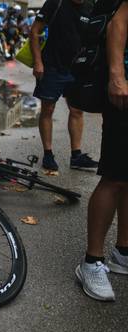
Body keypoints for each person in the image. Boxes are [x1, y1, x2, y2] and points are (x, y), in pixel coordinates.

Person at [76, 0, 128, 301]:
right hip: (124, 92)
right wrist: (117, 75)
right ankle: (91, 261)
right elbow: (118, 22)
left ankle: (123, 253)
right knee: (115, 176)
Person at [30, 0, 99, 171]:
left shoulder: (90, 6)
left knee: (77, 110)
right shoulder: (56, 3)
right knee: (48, 109)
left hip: (77, 68)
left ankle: (76, 155)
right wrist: (38, 62)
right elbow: (35, 31)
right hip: (52, 66)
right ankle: (48, 153)